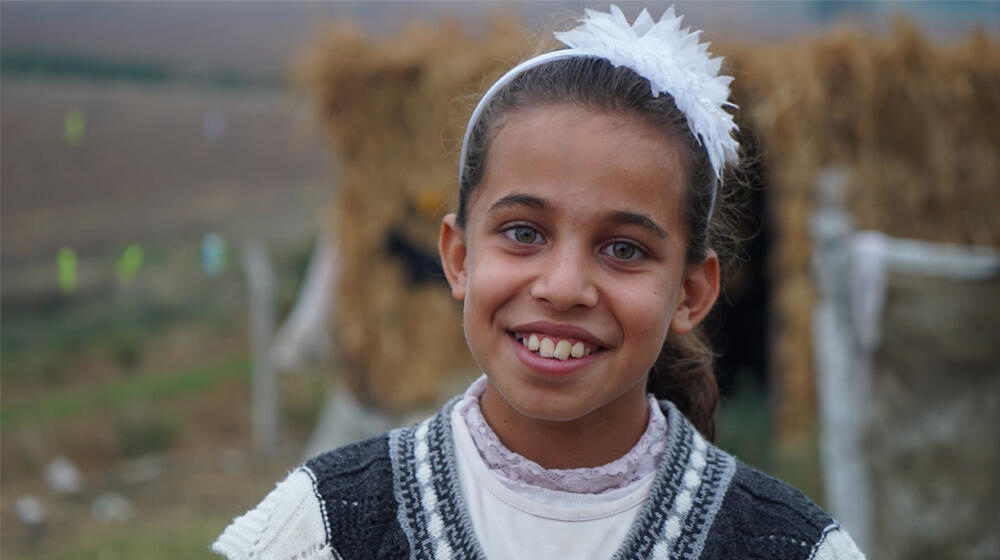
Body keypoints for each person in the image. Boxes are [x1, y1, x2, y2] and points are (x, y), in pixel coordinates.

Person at [212, 6, 865, 559]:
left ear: (691, 295)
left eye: (623, 248)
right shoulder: (323, 526)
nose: (563, 286)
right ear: (459, 257)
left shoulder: (791, 546)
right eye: (524, 233)